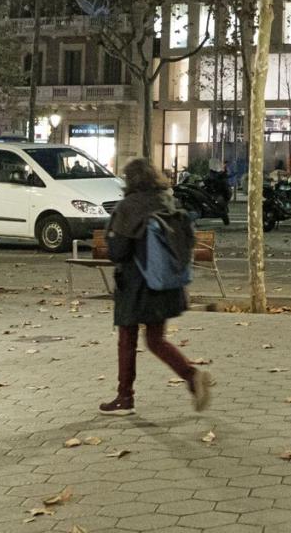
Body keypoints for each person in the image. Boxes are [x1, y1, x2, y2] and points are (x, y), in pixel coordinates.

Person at [99, 157, 213, 416]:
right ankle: (191, 376)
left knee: (127, 339)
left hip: (136, 285)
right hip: (166, 284)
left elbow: (117, 251)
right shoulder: (166, 200)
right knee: (155, 339)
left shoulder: (129, 206)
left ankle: (124, 398)